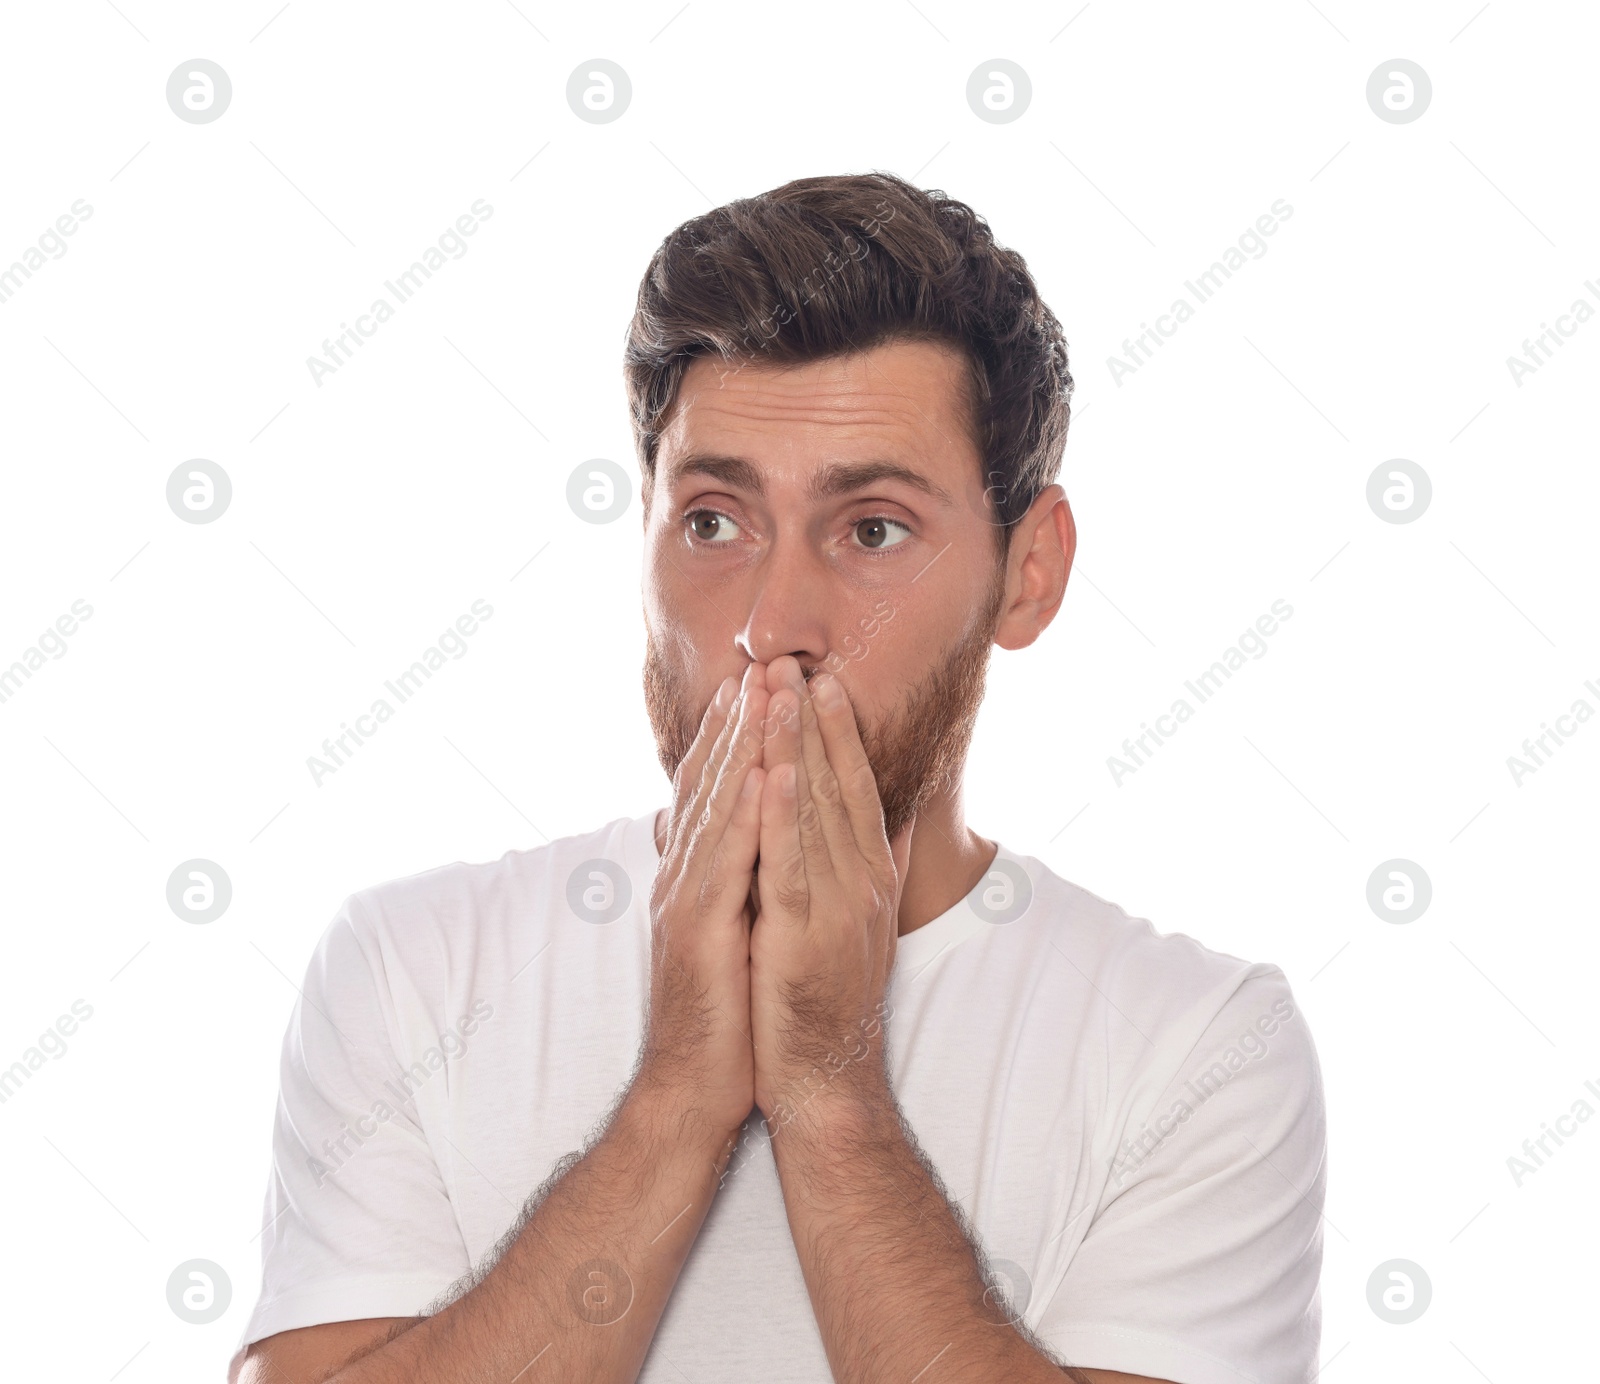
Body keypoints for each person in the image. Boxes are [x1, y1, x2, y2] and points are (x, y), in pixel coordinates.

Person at [230, 171, 1325, 1384]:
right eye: (712, 520)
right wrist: (679, 1093)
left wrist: (829, 1089)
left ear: (1028, 572)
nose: (771, 625)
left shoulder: (1198, 1046)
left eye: (872, 530)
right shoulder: (411, 969)